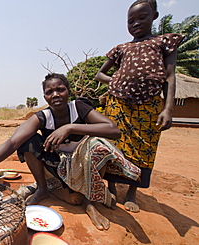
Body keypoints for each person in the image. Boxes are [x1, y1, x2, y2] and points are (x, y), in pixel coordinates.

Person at [0, 73, 141, 230]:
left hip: (85, 167)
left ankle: (90, 201)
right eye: (49, 92)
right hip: (58, 167)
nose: (56, 95)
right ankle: (42, 188)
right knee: (27, 140)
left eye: (60, 89)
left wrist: (70, 128)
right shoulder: (43, 117)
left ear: (68, 91)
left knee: (97, 144)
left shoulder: (78, 107)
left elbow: (113, 130)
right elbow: (12, 142)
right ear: (44, 97)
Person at [95, 0, 183, 213]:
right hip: (118, 103)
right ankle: (112, 186)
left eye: (142, 18)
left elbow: (170, 77)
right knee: (114, 146)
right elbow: (100, 74)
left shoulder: (163, 43)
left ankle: (132, 191)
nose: (135, 23)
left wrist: (168, 108)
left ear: (155, 16)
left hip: (149, 105)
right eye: (130, 20)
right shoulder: (122, 48)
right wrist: (115, 81)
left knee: (144, 148)